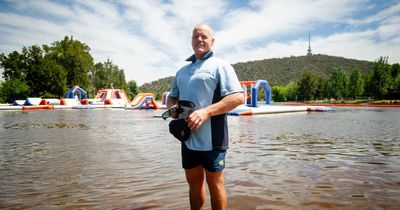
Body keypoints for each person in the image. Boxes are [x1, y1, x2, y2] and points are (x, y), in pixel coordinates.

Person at [167, 24, 244, 210]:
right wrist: (173, 110)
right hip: (188, 137)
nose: (199, 39)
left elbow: (238, 97)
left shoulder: (221, 66)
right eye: (195, 36)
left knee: (215, 184)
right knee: (193, 184)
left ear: (212, 41)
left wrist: (206, 111)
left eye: (204, 36)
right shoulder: (182, 71)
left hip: (213, 138)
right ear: (191, 41)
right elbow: (172, 97)